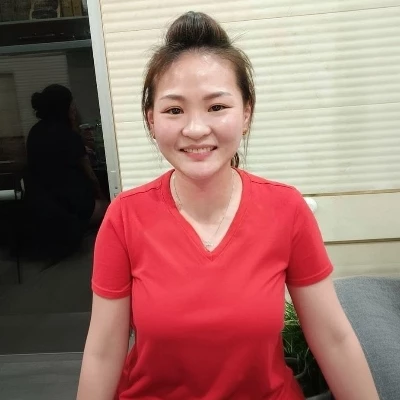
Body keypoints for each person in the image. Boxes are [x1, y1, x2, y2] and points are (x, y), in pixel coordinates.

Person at [77, 12, 379, 400]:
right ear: (151, 120)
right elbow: (103, 353)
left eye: (217, 107)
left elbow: (333, 339)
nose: (195, 129)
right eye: (174, 110)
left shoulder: (285, 209)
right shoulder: (125, 216)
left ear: (246, 113)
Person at [26, 84, 107, 259]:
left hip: (44, 202)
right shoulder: (68, 135)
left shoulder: (35, 132)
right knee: (111, 207)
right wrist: (102, 195)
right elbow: (91, 176)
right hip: (72, 204)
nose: (74, 108)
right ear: (65, 107)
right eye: (72, 104)